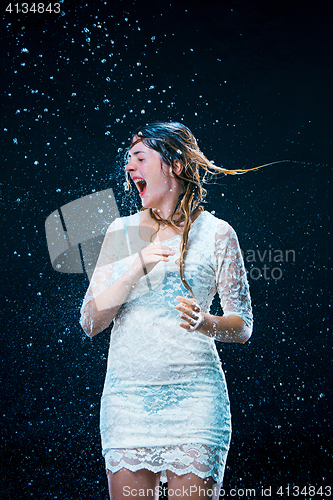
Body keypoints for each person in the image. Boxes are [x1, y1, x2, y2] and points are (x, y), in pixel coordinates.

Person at [80, 122, 253, 500]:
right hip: (127, 400)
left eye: (140, 158)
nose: (130, 168)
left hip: (196, 400)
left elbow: (243, 326)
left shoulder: (218, 234)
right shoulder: (121, 232)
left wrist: (205, 322)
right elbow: (90, 321)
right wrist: (134, 269)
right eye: (128, 161)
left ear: (174, 165)